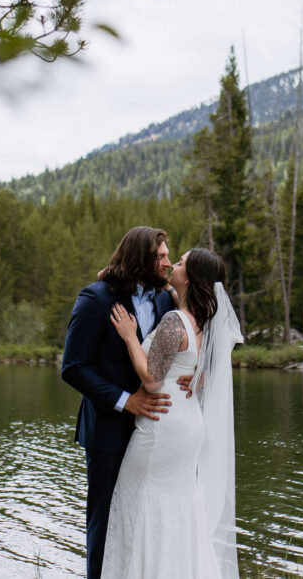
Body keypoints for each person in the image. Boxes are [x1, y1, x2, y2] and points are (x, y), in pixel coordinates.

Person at [101, 247, 242, 579]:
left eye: (179, 263)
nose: (173, 265)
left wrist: (129, 338)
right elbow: (217, 363)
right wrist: (199, 377)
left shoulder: (175, 322)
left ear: (190, 278)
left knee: (141, 504)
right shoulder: (207, 323)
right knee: (180, 511)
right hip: (189, 423)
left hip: (162, 428)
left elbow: (151, 380)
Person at [61, 226, 177, 579]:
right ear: (140, 259)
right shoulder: (95, 299)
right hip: (108, 432)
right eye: (160, 256)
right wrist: (125, 401)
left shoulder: (164, 301)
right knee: (105, 520)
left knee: (145, 517)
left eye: (168, 255)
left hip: (153, 432)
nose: (168, 262)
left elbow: (184, 342)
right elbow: (73, 367)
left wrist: (191, 374)